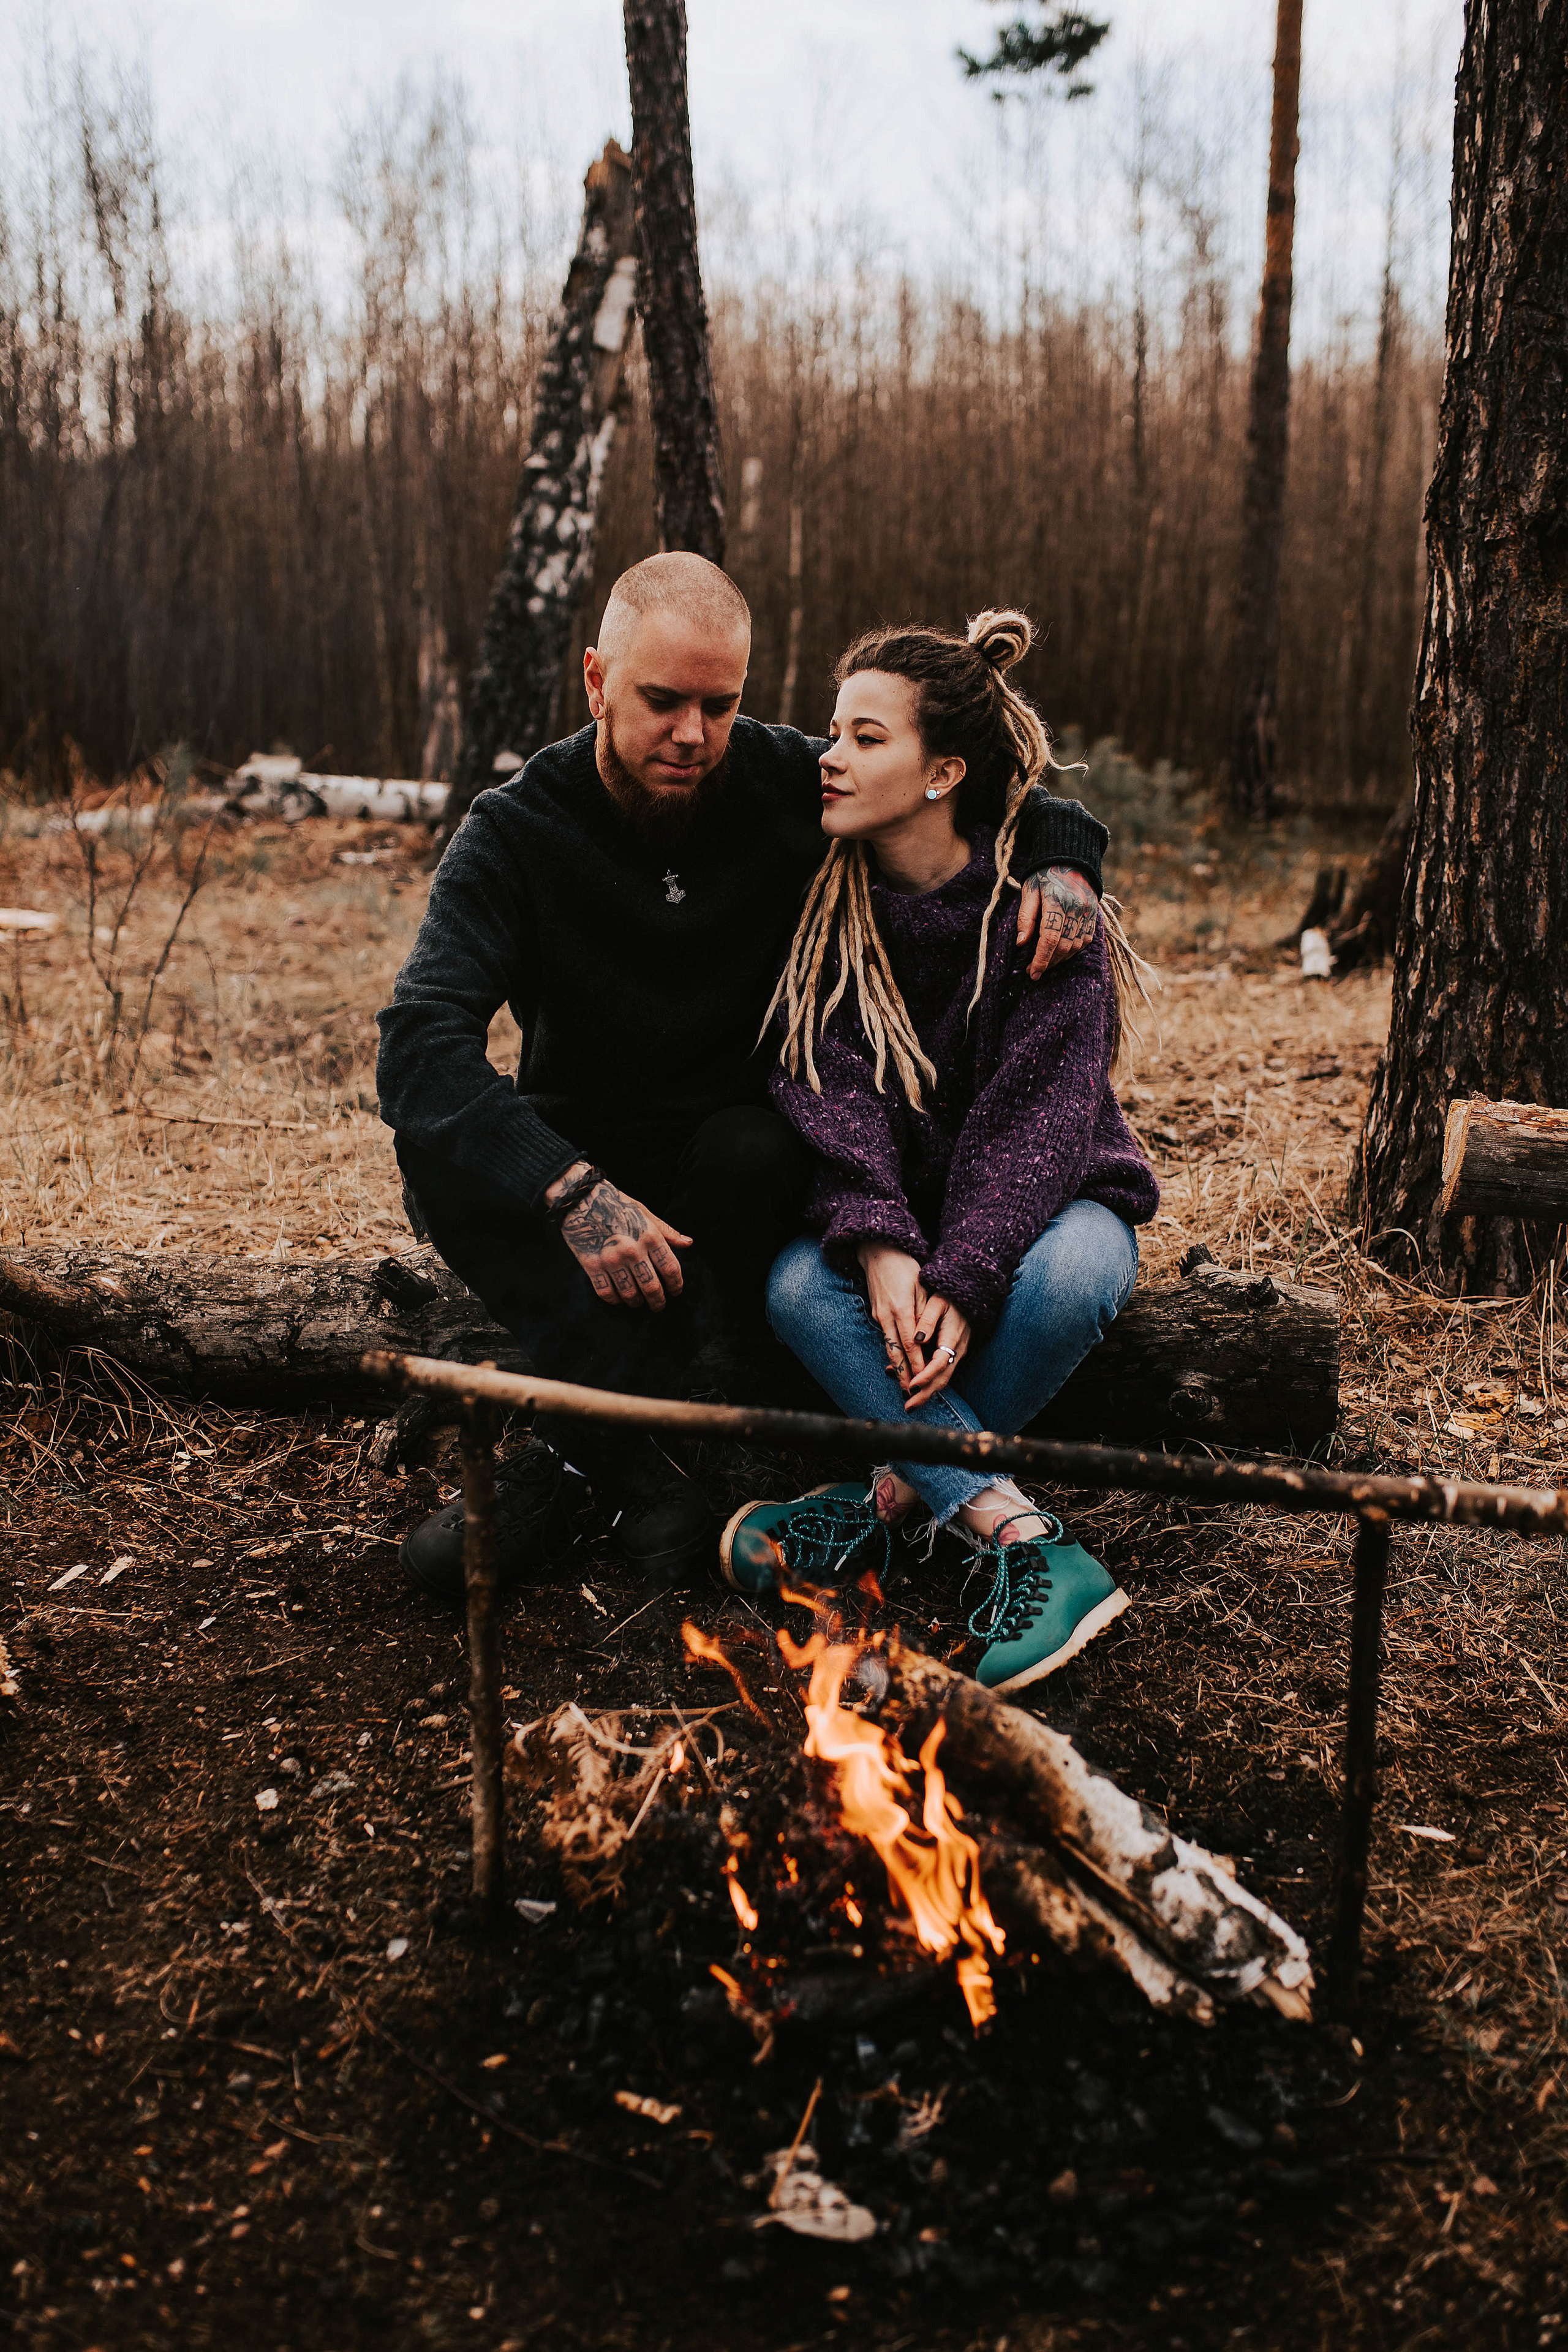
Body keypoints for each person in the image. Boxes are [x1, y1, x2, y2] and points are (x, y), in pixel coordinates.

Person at [377, 556, 1111, 1603]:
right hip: (581, 1156)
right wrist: (570, 1186)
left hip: (732, 1167)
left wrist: (1066, 853)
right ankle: (619, 1462)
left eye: (720, 705)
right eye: (661, 701)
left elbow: (953, 767)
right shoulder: (516, 830)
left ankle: (588, 1452)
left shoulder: (778, 778)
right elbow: (418, 1040)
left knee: (755, 1148)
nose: (692, 734)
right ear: (595, 680)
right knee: (437, 1153)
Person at [720, 609, 1159, 1694]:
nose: (831, 755)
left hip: (1049, 1210)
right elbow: (826, 1090)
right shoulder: (824, 913)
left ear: (942, 771)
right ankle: (1020, 1537)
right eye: (834, 732)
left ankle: (884, 1502)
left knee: (1070, 1282)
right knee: (793, 1286)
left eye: (868, 738)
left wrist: (964, 1274)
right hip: (903, 1226)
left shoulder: (1043, 915)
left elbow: (1043, 1121)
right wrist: (877, 1244)